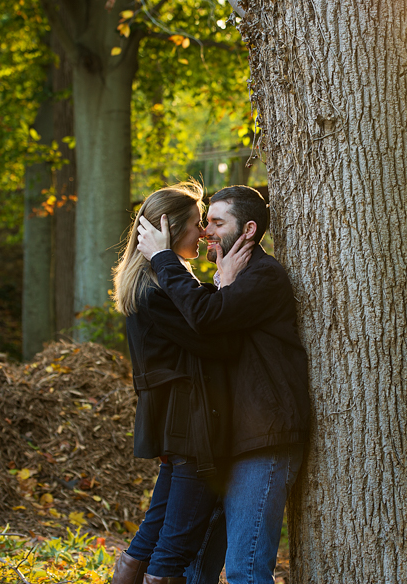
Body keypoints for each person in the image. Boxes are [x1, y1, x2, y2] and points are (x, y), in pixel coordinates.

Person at [135, 185, 310, 584]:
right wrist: (219, 284)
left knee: (246, 569)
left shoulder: (265, 276)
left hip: (263, 440)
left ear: (247, 230)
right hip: (222, 441)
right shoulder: (228, 280)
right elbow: (209, 325)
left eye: (216, 222)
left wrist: (164, 258)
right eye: (204, 222)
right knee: (197, 571)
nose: (206, 231)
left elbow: (209, 320)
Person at [110, 181, 253, 584]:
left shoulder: (154, 286)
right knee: (175, 544)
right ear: (168, 230)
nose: (204, 232)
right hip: (191, 426)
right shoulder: (158, 293)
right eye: (195, 223)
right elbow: (219, 341)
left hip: (181, 424)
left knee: (150, 536)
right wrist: (228, 283)